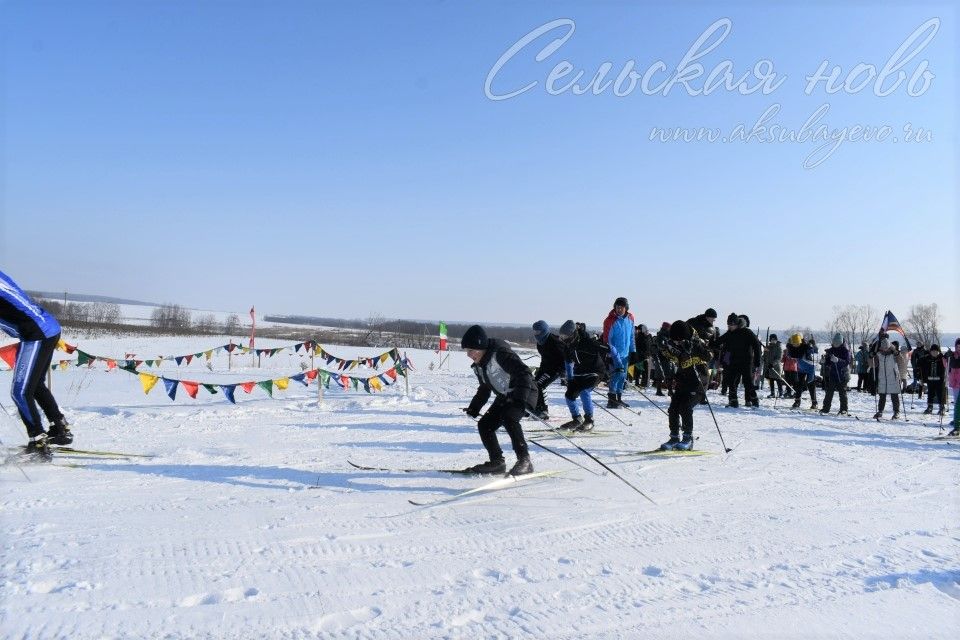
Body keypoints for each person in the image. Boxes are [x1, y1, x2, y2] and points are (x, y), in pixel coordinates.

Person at [0, 270, 72, 461]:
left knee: (20, 392)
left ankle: (38, 441)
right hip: (46, 328)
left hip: (36, 333)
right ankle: (59, 427)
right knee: (35, 385)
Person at [461, 325, 536, 476]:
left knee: (509, 418)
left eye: (470, 350)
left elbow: (524, 373)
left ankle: (524, 461)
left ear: (480, 346)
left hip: (525, 391)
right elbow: (485, 388)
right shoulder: (479, 365)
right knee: (485, 425)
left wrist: (520, 398)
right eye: (466, 351)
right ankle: (497, 462)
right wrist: (474, 407)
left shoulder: (500, 354)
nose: (468, 355)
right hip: (505, 396)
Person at [658, 320, 712, 451]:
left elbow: (709, 356)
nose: (677, 343)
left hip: (699, 381)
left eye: (679, 340)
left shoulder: (697, 341)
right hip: (683, 380)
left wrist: (695, 347)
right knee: (673, 408)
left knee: (685, 407)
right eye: (675, 340)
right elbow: (667, 355)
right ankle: (674, 437)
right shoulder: (673, 342)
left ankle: (688, 438)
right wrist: (659, 349)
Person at [557, 320, 607, 431]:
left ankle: (589, 420)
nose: (564, 339)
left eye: (566, 336)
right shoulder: (567, 346)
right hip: (580, 373)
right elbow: (568, 363)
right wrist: (570, 379)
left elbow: (609, 349)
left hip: (596, 371)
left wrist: (619, 366)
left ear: (573, 334)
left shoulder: (587, 342)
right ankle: (577, 419)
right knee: (569, 395)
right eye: (562, 337)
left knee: (585, 391)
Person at [715, 313, 763, 408]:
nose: (730, 327)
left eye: (731, 325)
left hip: (746, 362)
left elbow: (756, 345)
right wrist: (712, 342)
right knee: (731, 382)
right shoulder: (729, 333)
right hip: (733, 362)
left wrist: (757, 359)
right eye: (728, 325)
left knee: (748, 382)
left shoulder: (747, 332)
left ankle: (753, 400)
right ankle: (733, 401)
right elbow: (719, 342)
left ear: (737, 324)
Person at [601, 297, 635, 408]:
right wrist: (611, 354)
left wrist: (633, 351)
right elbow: (607, 340)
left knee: (622, 376)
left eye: (622, 307)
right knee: (616, 375)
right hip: (615, 354)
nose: (619, 309)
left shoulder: (630, 318)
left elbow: (631, 336)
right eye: (617, 307)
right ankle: (611, 400)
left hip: (625, 354)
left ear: (626, 308)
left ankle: (619, 398)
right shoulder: (609, 320)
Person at [531, 320, 565, 420]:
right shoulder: (540, 343)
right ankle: (536, 407)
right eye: (535, 332)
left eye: (538, 332)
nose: (536, 334)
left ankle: (543, 410)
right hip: (547, 368)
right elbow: (544, 358)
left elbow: (565, 357)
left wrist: (563, 372)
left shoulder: (555, 341)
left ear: (544, 331)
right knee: (534, 384)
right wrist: (540, 370)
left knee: (540, 385)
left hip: (556, 369)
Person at [820, 333, 851, 415]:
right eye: (834, 343)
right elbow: (828, 362)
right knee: (829, 392)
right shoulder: (831, 350)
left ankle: (844, 409)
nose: (836, 345)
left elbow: (847, 362)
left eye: (837, 343)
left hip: (843, 374)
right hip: (833, 374)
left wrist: (838, 360)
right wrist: (824, 361)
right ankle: (825, 408)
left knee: (842, 392)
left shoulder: (846, 350)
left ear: (841, 343)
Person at [872, 336, 902, 420]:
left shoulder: (894, 355)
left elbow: (901, 362)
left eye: (886, 347)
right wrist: (871, 357)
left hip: (893, 377)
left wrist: (897, 353)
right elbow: (872, 365)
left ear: (889, 347)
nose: (885, 349)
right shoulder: (878, 355)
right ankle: (880, 411)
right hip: (882, 377)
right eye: (883, 347)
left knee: (894, 396)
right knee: (882, 396)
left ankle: (896, 412)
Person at [786, 333, 818, 409]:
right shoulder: (792, 348)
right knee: (798, 385)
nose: (795, 345)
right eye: (794, 343)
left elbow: (814, 352)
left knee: (811, 385)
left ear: (800, 342)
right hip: (801, 369)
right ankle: (797, 401)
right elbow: (790, 355)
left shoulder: (805, 347)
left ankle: (814, 403)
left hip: (810, 368)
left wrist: (813, 347)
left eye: (797, 343)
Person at [918, 343, 947, 416]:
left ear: (939, 352)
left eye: (936, 351)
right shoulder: (927, 358)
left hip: (940, 380)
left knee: (941, 394)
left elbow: (947, 363)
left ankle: (942, 407)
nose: (934, 353)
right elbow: (920, 363)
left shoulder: (942, 359)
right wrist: (920, 360)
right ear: (930, 352)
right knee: (930, 394)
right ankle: (930, 407)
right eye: (933, 351)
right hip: (930, 379)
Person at [651, 322, 674, 396]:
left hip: (667, 357)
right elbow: (661, 346)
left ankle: (668, 390)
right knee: (662, 375)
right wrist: (668, 348)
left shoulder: (667, 335)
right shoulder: (661, 335)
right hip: (661, 357)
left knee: (668, 374)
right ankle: (661, 391)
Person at [946, 339, 960, 435]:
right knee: (957, 403)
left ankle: (957, 426)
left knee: (958, 404)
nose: (959, 348)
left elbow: (956, 364)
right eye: (957, 346)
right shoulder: (954, 355)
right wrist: (946, 356)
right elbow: (947, 365)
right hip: (955, 382)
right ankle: (957, 424)